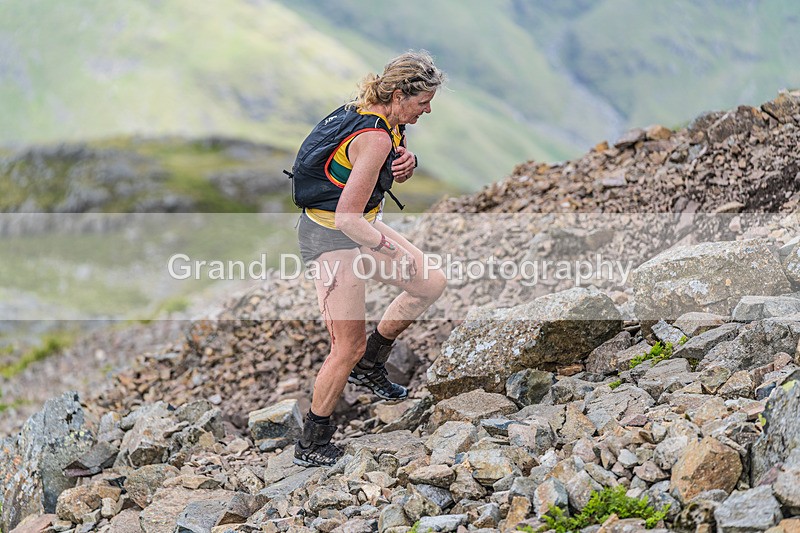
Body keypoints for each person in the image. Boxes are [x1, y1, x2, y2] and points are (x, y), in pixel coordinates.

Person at [288, 50, 447, 467]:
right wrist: (390, 251)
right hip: (330, 236)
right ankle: (312, 442)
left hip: (359, 228)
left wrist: (407, 164)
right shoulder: (374, 136)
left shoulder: (381, 119)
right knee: (346, 345)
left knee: (429, 283)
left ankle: (372, 365)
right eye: (422, 102)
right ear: (398, 94)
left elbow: (369, 171)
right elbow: (346, 218)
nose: (427, 110)